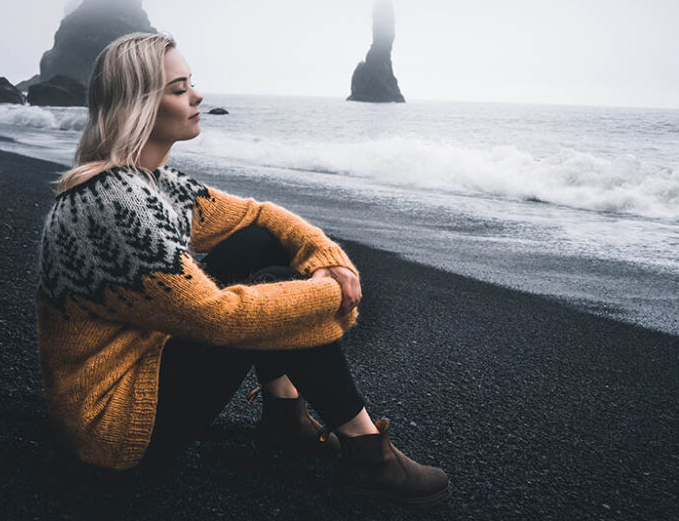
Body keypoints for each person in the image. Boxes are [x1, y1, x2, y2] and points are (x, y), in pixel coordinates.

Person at [35, 32, 450, 506]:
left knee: (256, 244)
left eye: (191, 84)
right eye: (179, 89)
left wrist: (327, 260)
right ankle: (368, 452)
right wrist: (330, 294)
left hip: (141, 367)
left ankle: (284, 419)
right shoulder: (114, 202)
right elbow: (218, 318)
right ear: (138, 107)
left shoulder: (150, 183)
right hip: (114, 429)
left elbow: (258, 216)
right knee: (276, 291)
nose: (198, 96)